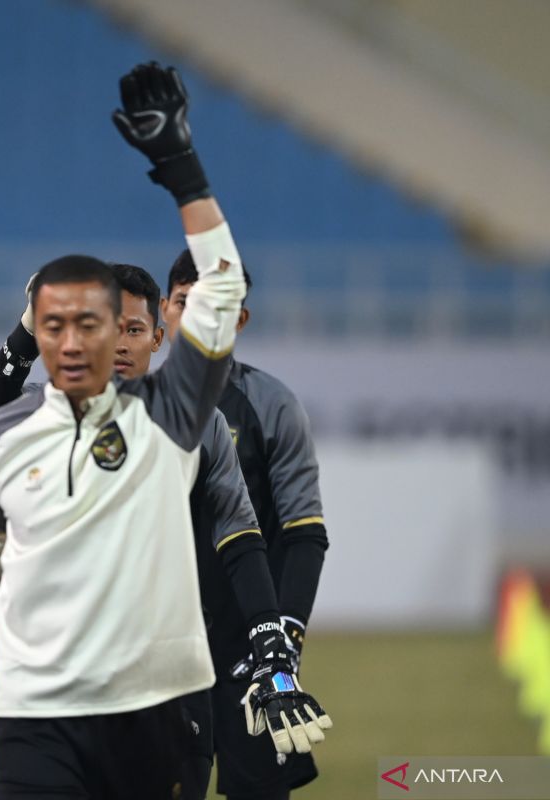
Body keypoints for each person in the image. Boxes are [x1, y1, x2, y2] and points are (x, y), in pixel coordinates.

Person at [0, 62, 330, 800]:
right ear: (36, 329)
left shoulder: (177, 420)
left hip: (163, 695)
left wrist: (181, 169)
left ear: (145, 332)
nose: (78, 340)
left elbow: (250, 534)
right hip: (41, 707)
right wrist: (8, 597)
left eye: (100, 324)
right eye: (53, 324)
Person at [0, 264, 255, 800]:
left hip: (168, 674)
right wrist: (29, 324)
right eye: (108, 326)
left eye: (133, 329)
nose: (121, 343)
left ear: (157, 337)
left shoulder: (193, 422)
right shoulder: (50, 413)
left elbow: (241, 535)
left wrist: (265, 637)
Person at [161, 255, 330, 800]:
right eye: (187, 302)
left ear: (240, 321)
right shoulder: (123, 409)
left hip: (246, 652)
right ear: (165, 311)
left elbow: (304, 532)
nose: (201, 318)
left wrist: (281, 645)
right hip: (157, 652)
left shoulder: (273, 406)